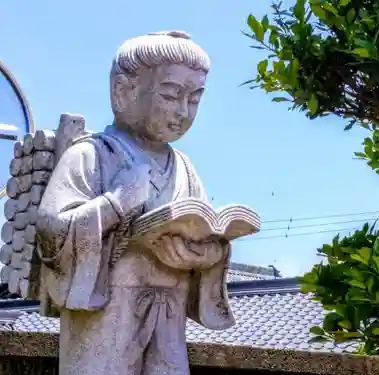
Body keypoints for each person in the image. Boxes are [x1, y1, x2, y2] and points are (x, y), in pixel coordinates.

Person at [36, 31, 234, 375]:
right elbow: (52, 234)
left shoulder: (184, 168)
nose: (183, 111)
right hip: (107, 316)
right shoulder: (91, 155)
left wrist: (206, 255)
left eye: (195, 99)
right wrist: (114, 203)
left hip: (168, 317)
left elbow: (204, 229)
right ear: (123, 91)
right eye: (171, 95)